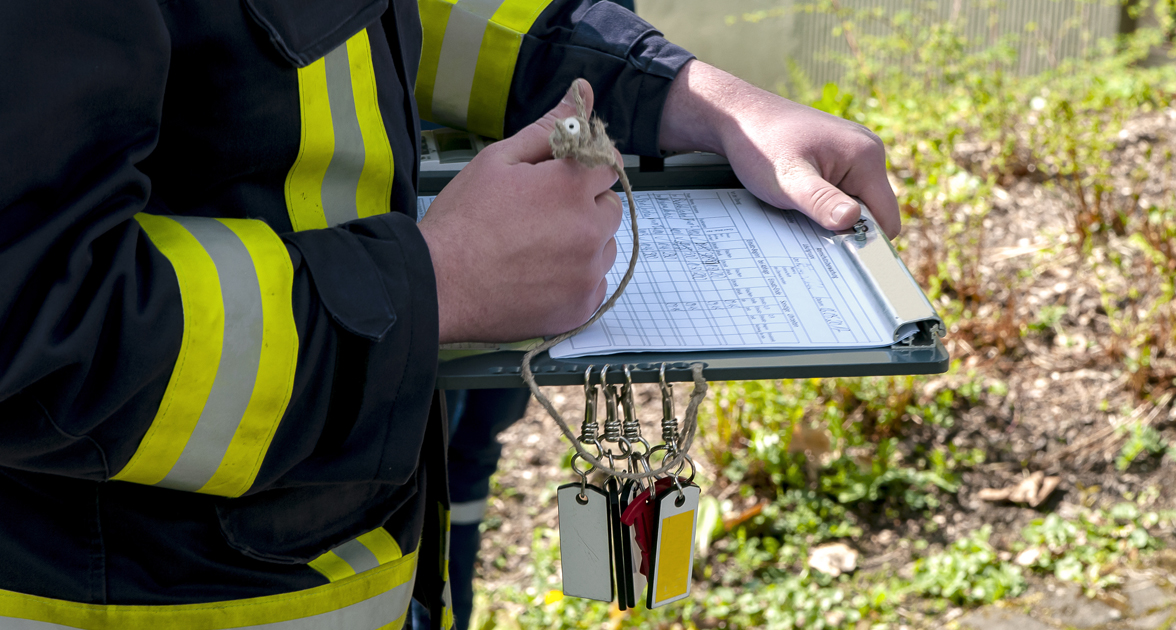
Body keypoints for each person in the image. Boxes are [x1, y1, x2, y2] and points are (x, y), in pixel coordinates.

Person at [0, 1, 899, 629]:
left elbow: (394, 15)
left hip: (363, 554)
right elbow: (35, 320)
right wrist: (441, 280)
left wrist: (685, 96)